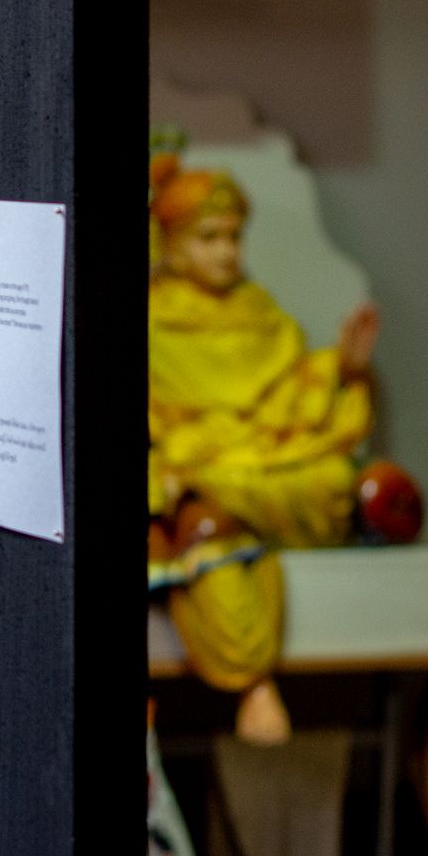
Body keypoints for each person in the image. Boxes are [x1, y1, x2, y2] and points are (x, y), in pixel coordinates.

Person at [148, 146, 379, 744]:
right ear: (171, 242)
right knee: (206, 516)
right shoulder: (148, 319)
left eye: (233, 236)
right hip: (199, 468)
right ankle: (253, 680)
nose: (227, 251)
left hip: (263, 461)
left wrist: (346, 370)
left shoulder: (261, 312)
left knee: (332, 479)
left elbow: (295, 391)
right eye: (209, 237)